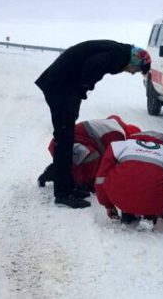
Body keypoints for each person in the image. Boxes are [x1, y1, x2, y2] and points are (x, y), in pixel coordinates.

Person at [35, 40, 151, 208]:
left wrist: (82, 88)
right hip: (60, 87)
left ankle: (67, 187)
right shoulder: (116, 55)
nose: (133, 73)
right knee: (64, 139)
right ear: (134, 61)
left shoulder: (119, 52)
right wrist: (84, 86)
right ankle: (62, 194)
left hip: (63, 86)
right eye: (137, 69)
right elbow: (93, 64)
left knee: (67, 137)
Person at [94, 131, 163, 229]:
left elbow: (100, 179)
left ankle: (127, 212)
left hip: (119, 198)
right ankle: (150, 215)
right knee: (151, 190)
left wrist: (108, 205)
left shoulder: (118, 146)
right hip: (155, 201)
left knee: (124, 180)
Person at [38, 115, 141, 195]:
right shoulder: (118, 135)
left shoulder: (114, 125)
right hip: (63, 147)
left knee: (91, 158)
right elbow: (111, 161)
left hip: (62, 146)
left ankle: (57, 172)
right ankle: (81, 185)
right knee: (93, 157)